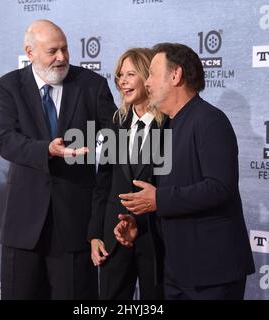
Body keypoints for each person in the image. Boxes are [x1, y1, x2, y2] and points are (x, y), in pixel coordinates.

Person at [116, 43, 255, 300]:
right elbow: (170, 192)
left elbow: (219, 187)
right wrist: (140, 225)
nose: (147, 82)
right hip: (176, 270)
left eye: (153, 74)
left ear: (175, 75)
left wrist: (157, 200)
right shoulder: (168, 126)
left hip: (212, 273)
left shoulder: (210, 120)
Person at [0, 19, 116, 299]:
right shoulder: (8, 87)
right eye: (52, 51)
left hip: (74, 223)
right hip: (23, 227)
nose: (61, 57)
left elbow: (115, 140)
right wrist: (47, 149)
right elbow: (5, 140)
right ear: (30, 52)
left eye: (65, 49)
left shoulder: (91, 85)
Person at [87, 48, 164, 299]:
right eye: (120, 75)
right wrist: (96, 234)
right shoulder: (115, 123)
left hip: (156, 239)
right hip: (114, 236)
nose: (122, 81)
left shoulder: (170, 124)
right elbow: (103, 183)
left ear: (147, 77)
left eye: (131, 74)